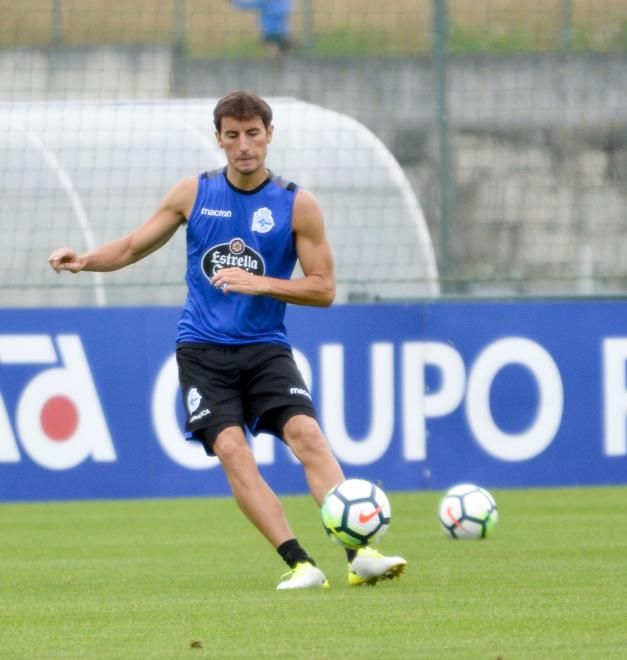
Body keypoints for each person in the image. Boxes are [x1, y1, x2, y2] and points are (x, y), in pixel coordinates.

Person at [48, 90, 406, 588]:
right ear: (219, 139)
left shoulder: (296, 204)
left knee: (307, 436)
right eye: (233, 135)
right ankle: (300, 564)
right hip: (202, 350)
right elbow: (132, 246)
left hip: (265, 347)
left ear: (269, 135)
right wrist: (85, 260)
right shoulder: (192, 194)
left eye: (253, 134)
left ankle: (358, 553)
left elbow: (323, 289)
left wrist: (262, 283)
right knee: (234, 449)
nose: (244, 145)